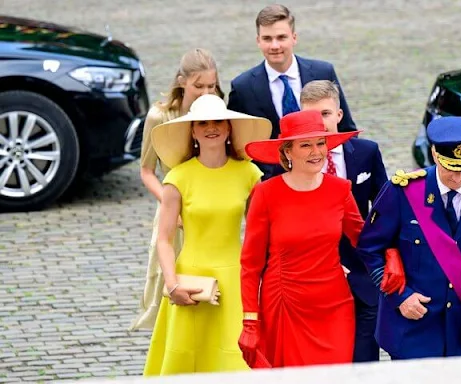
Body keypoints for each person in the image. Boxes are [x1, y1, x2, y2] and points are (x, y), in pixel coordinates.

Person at [355, 116, 461, 359]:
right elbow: (369, 248)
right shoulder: (403, 192)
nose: (458, 178)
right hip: (413, 324)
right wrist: (400, 296)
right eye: (450, 169)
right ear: (435, 155)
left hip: (459, 326)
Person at [142, 94, 272, 375]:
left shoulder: (249, 174)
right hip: (190, 280)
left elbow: (262, 234)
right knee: (188, 360)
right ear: (193, 131)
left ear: (228, 129)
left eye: (218, 122)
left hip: (236, 279)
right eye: (202, 123)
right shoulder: (178, 178)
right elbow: (164, 239)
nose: (211, 127)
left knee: (235, 359)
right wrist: (173, 285)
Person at [238, 109, 364, 368]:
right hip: (286, 305)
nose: (316, 151)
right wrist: (250, 320)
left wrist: (393, 253)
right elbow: (250, 265)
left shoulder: (340, 189)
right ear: (287, 151)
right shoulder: (266, 194)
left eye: (321, 143)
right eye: (305, 145)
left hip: (334, 306)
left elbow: (365, 239)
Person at [130, 48, 225, 331]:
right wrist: (170, 205)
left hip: (209, 207)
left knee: (211, 282)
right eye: (199, 86)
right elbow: (146, 171)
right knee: (169, 281)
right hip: (174, 210)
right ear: (182, 81)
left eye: (211, 85)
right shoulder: (160, 116)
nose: (206, 92)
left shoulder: (218, 110)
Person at [299, 80, 387, 362]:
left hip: (364, 277)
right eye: (311, 116)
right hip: (318, 280)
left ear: (338, 115)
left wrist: (383, 259)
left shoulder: (366, 152)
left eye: (325, 114)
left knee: (365, 362)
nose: (320, 123)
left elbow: (384, 209)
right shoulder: (293, 162)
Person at [227, 4, 357, 180]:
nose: (275, 45)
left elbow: (346, 128)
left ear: (294, 38)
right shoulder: (243, 87)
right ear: (258, 40)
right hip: (272, 182)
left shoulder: (322, 72)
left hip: (325, 174)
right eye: (267, 38)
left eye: (281, 37)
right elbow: (238, 145)